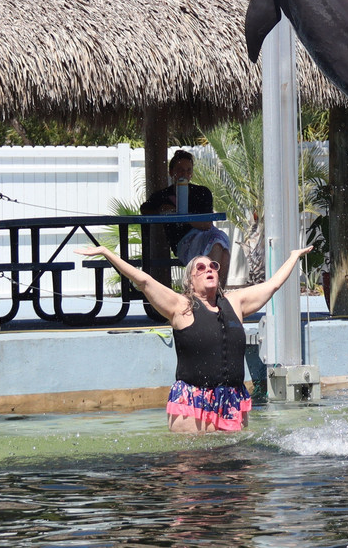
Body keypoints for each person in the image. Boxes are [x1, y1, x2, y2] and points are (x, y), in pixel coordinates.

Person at [75, 242, 312, 433]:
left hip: (232, 398)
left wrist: (293, 256)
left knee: (236, 477)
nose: (209, 269)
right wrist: (107, 253)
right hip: (193, 401)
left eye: (213, 266)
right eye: (201, 268)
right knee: (193, 474)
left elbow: (272, 285)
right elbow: (144, 281)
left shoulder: (235, 302)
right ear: (190, 280)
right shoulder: (181, 306)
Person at [140, 150, 231, 282]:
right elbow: (145, 210)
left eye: (188, 170)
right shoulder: (163, 196)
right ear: (171, 172)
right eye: (180, 170)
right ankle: (210, 293)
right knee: (217, 246)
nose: (185, 174)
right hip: (184, 242)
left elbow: (206, 224)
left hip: (208, 235)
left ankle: (216, 293)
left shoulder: (202, 193)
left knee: (222, 249)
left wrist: (182, 214)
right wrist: (162, 210)